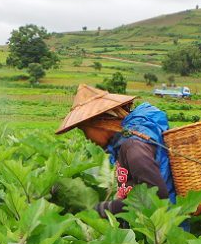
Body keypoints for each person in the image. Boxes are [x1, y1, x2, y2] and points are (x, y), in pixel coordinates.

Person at [56, 84, 175, 217]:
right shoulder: (125, 144)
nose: (87, 138)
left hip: (162, 230)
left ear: (99, 123)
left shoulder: (134, 147)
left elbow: (157, 196)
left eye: (85, 130)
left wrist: (105, 209)